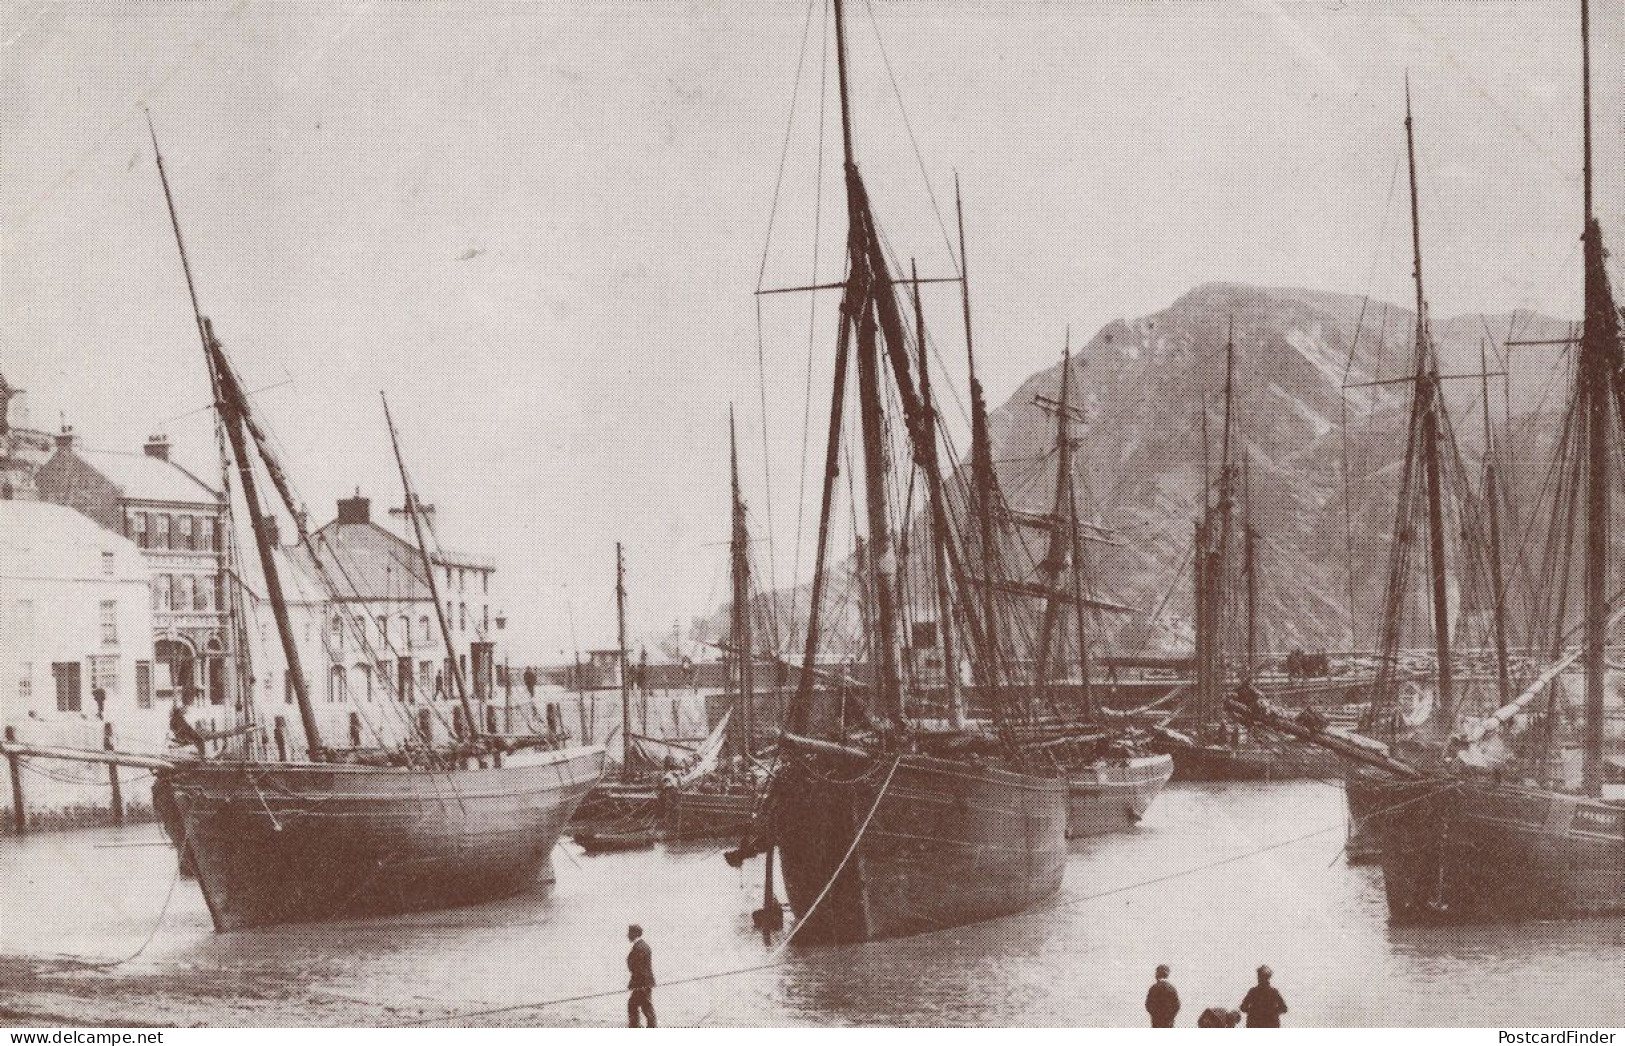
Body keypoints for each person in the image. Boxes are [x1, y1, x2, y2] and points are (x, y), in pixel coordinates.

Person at [626, 924, 656, 1027]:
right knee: (643, 1007)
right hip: (643, 983)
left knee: (637, 1006)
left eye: (629, 933)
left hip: (642, 984)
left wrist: (639, 986)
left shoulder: (640, 947)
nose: (627, 935)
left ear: (634, 934)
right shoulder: (641, 946)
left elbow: (639, 969)